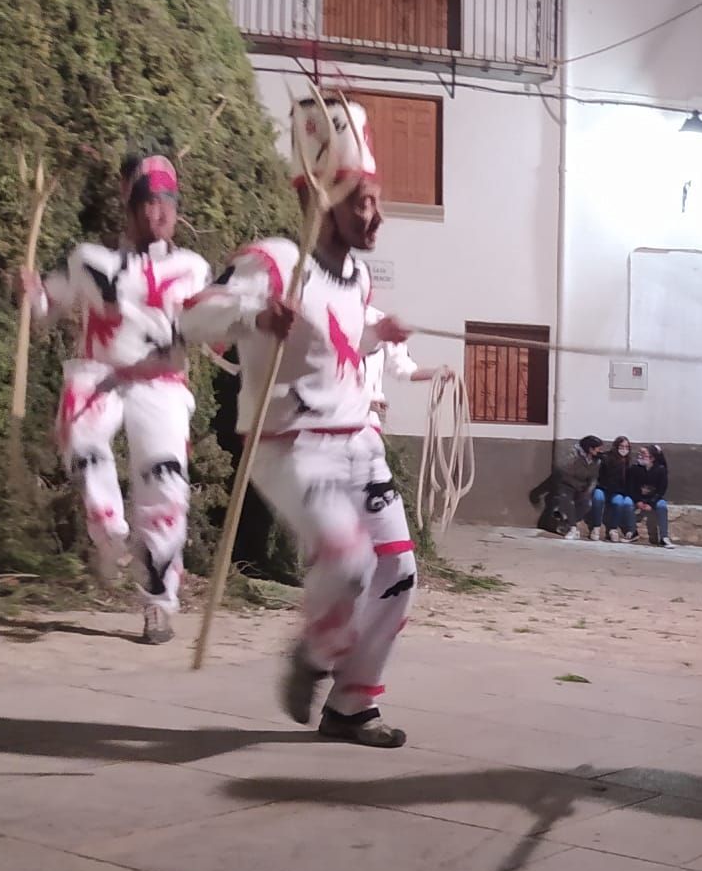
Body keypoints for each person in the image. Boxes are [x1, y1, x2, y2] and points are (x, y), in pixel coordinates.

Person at [183, 96, 416, 746]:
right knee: (346, 561)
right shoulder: (274, 262)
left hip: (358, 443)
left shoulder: (360, 278)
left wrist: (379, 335)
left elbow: (341, 337)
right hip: (290, 445)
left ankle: (350, 706)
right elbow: (192, 314)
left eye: (374, 200)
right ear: (323, 201)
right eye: (358, 203)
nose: (373, 216)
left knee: (397, 571)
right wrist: (255, 318)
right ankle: (313, 653)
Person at [23, 152, 214, 645]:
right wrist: (33, 293)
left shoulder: (193, 269)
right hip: (98, 374)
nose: (159, 213)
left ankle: (157, 603)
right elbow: (49, 304)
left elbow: (214, 329)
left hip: (161, 384)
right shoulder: (91, 261)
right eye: (148, 203)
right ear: (129, 209)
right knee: (79, 436)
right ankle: (108, 535)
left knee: (166, 491)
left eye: (167, 204)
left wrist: (255, 321)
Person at [530, 435, 601, 539]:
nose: (600, 451)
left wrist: (588, 490)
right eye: (598, 448)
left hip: (581, 487)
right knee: (567, 501)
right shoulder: (573, 455)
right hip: (566, 484)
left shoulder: (596, 461)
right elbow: (563, 470)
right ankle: (572, 527)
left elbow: (593, 478)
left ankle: (567, 524)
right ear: (590, 448)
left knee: (586, 504)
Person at [628, 442, 671, 547]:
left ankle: (664, 537)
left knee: (662, 506)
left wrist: (651, 503)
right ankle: (632, 532)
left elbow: (661, 490)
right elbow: (631, 487)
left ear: (652, 458)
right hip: (639, 498)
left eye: (644, 455)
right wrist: (638, 500)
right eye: (639, 454)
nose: (640, 457)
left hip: (654, 499)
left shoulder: (661, 470)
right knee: (627, 504)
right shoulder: (635, 469)